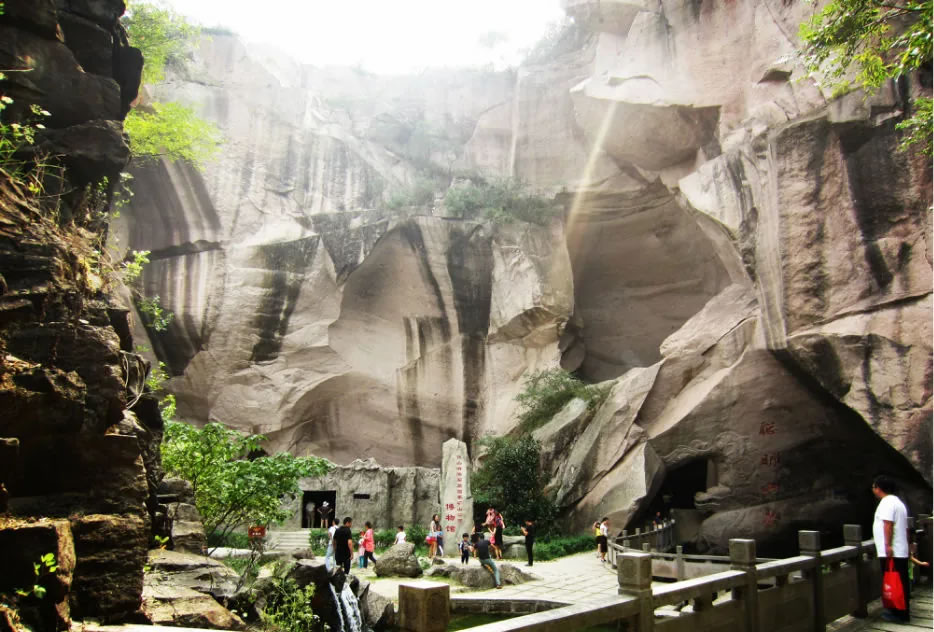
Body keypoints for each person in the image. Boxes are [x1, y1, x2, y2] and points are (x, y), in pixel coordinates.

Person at [872, 475, 910, 622]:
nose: (873, 489)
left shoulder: (887, 503)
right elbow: (905, 528)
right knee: (900, 582)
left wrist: (887, 545)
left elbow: (888, 524)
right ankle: (900, 612)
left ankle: (899, 614)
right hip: (900, 549)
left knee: (895, 582)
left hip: (893, 550)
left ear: (879, 488)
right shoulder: (898, 502)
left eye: (874, 486)